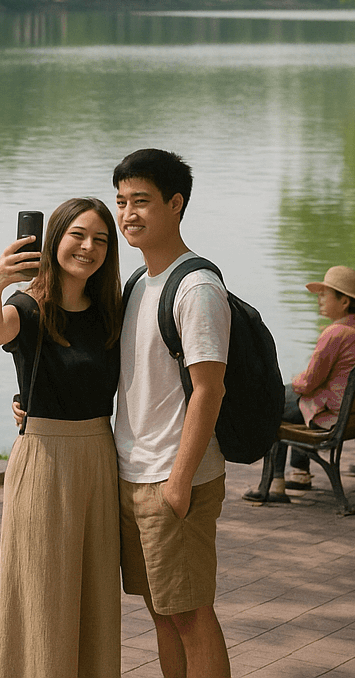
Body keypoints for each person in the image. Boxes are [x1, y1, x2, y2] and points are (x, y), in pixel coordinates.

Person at [0, 197, 123, 678]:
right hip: (45, 461)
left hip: (100, 457)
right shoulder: (29, 306)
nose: (88, 247)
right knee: (42, 596)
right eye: (78, 235)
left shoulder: (110, 312)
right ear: (54, 238)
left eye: (100, 239)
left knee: (95, 596)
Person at [112, 149, 232, 678]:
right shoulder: (139, 283)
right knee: (161, 613)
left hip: (172, 476)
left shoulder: (196, 287)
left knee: (188, 613)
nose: (127, 215)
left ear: (175, 204)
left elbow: (210, 389)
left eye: (141, 201)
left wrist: (180, 480)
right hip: (133, 474)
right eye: (121, 202)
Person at [242, 266, 355, 504]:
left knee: (273, 402)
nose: (319, 300)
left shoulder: (337, 333)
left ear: (344, 302)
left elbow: (308, 383)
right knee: (288, 400)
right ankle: (299, 473)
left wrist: (295, 380)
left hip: (335, 413)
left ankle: (274, 485)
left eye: (324, 294)